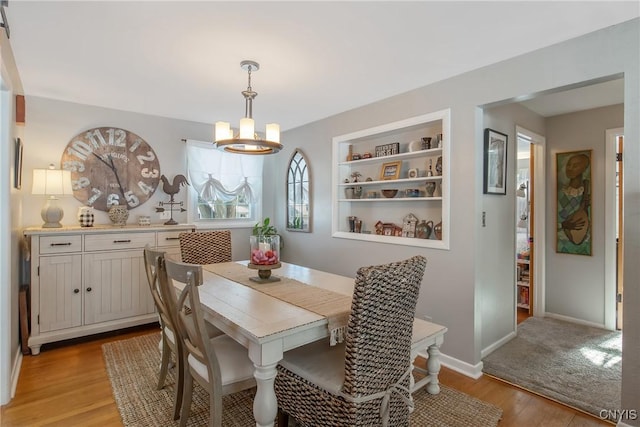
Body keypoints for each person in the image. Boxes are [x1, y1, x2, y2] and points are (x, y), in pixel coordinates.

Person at [557, 153, 590, 249]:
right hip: (560, 245)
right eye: (568, 165)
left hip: (584, 245)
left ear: (584, 169)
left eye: (575, 165)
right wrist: (563, 225)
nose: (570, 168)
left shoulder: (587, 192)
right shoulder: (560, 193)